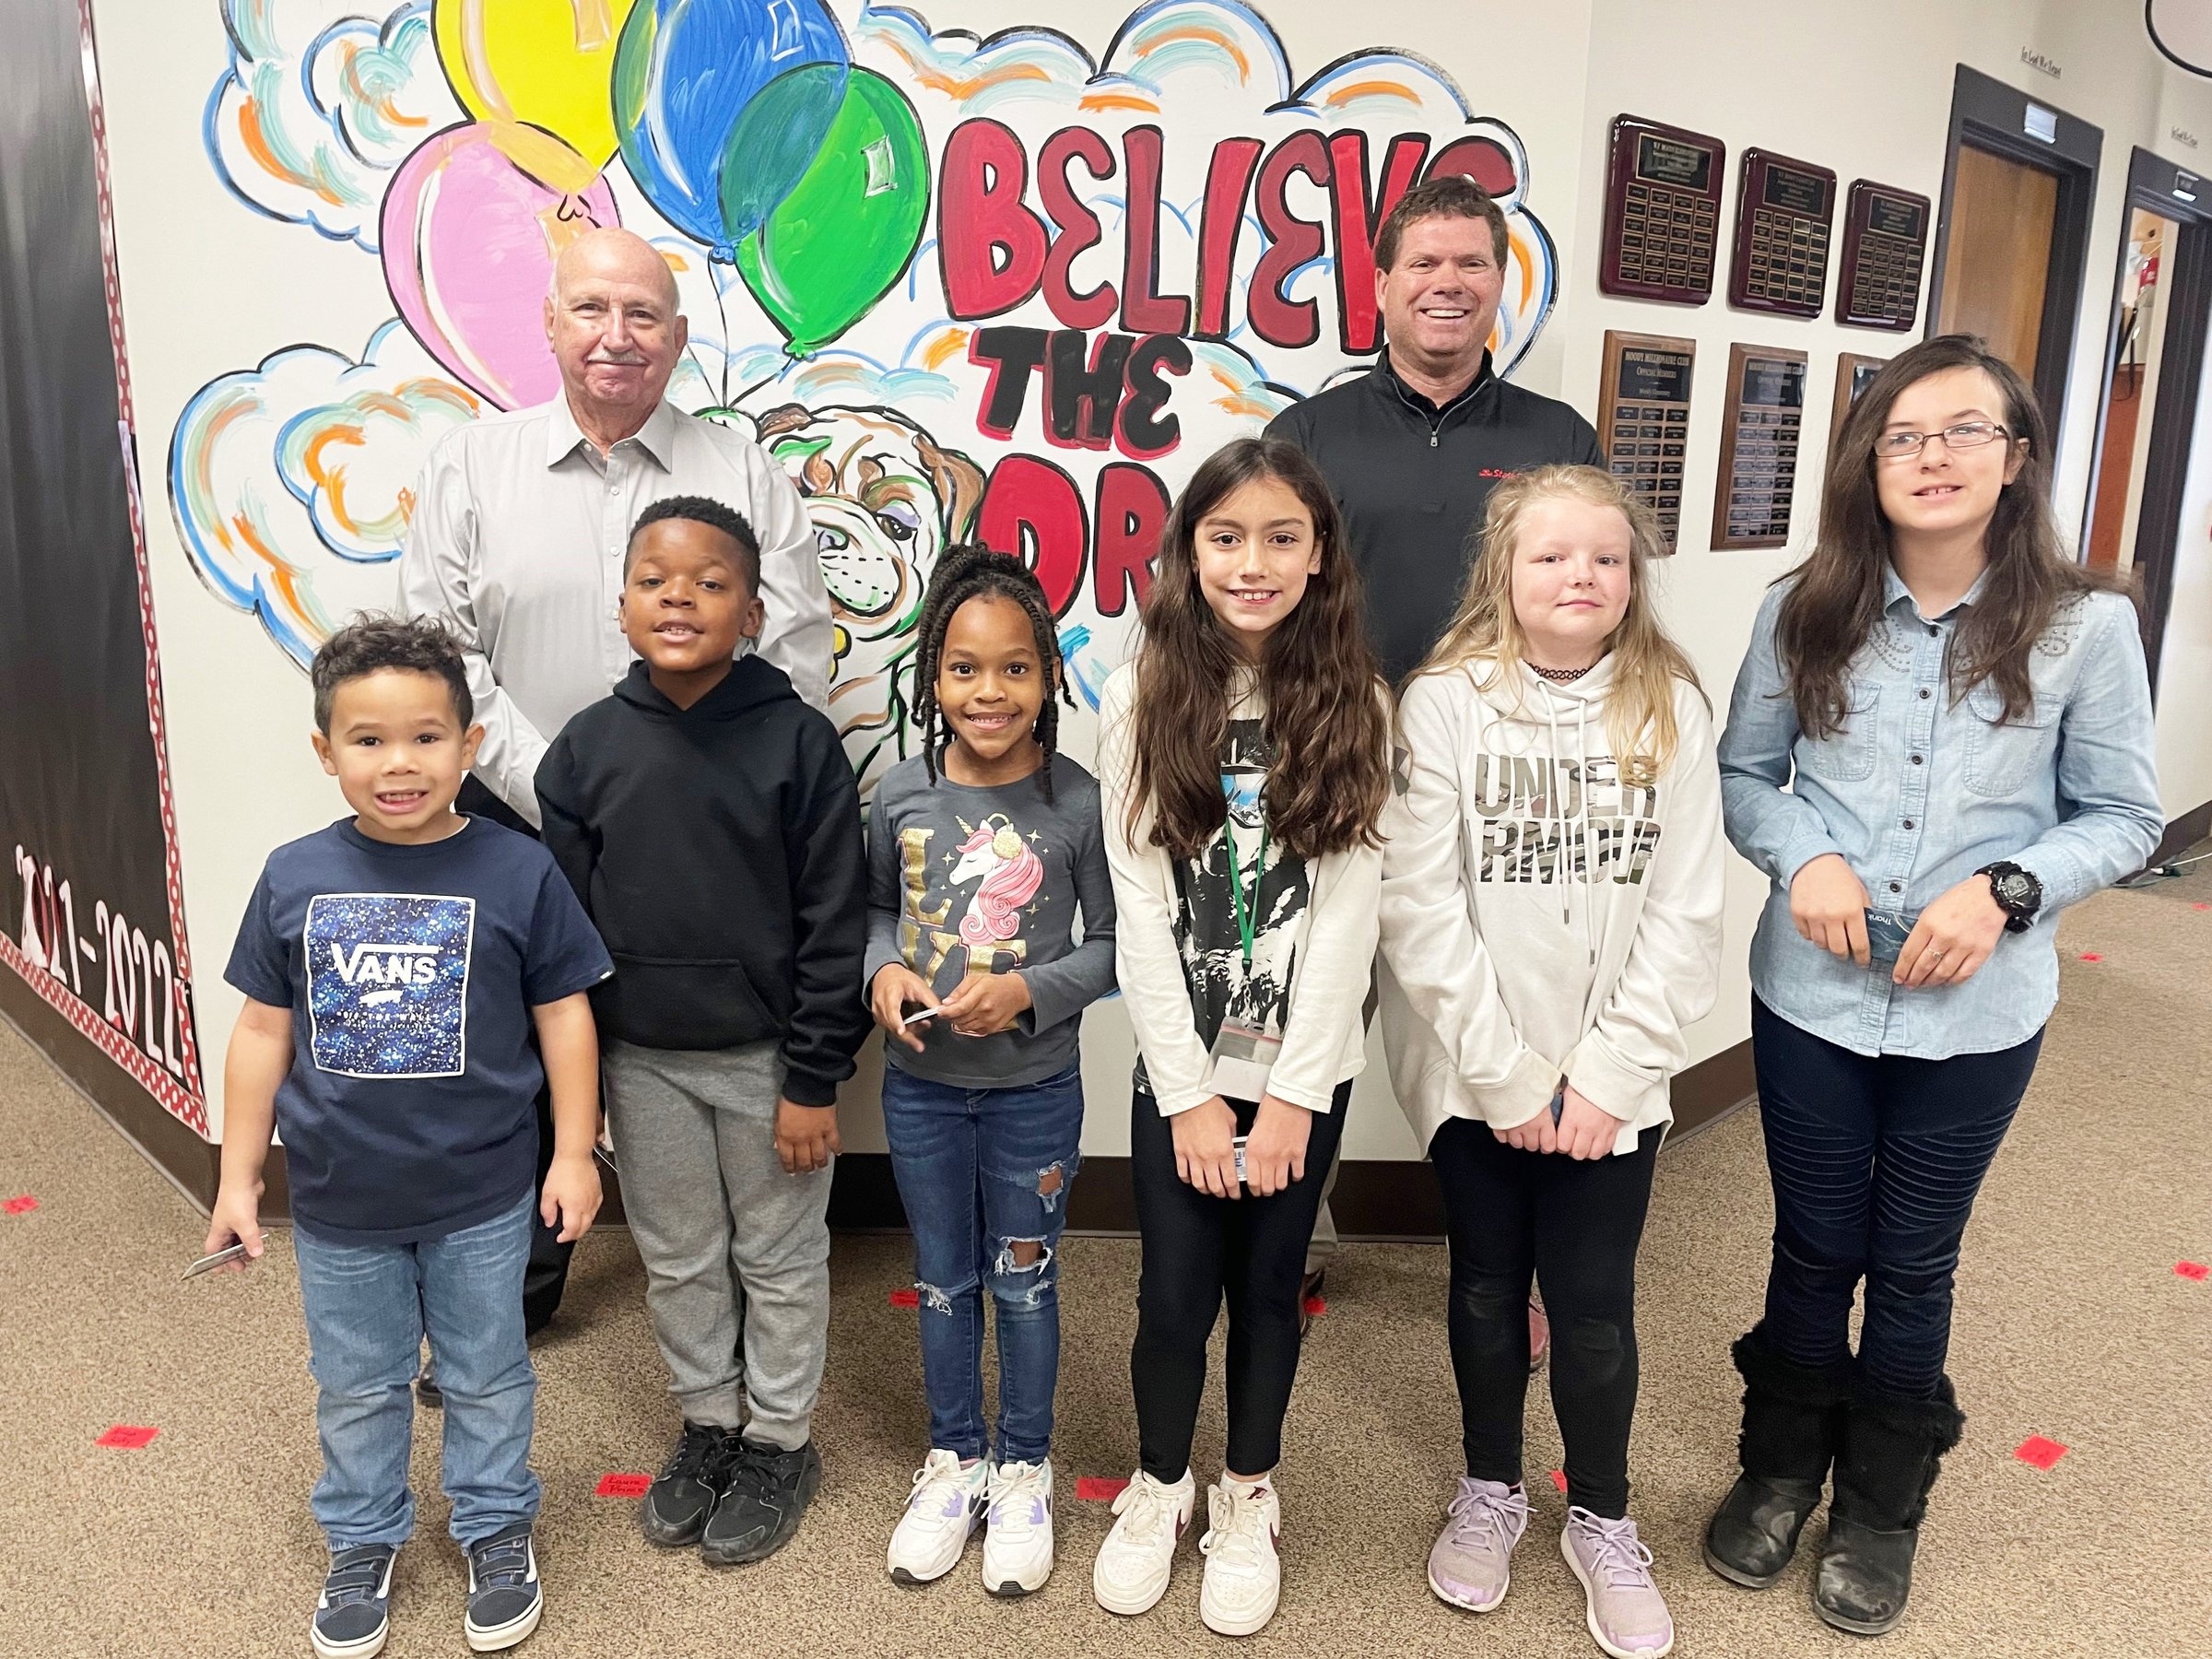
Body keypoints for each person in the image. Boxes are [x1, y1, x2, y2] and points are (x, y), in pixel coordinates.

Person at [1704, 335, 2162, 1637]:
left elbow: (2124, 815)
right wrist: (1810, 860)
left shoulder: (2088, 627)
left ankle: (1881, 1505)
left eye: (1965, 432)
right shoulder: (1804, 606)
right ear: (1867, 462)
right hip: (1816, 995)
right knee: (1812, 1242)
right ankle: (1784, 1465)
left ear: (2015, 460)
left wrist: (2010, 886)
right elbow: (1746, 780)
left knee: (1912, 1259)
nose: (1932, 458)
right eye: (1903, 436)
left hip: (1979, 1012)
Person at [399, 226, 833, 1337]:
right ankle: (511, 1305)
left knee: (669, 1046)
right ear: (549, 323)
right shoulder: (470, 465)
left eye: (643, 316)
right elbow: (435, 649)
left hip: (701, 828)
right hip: (505, 809)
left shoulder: (741, 472)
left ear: (679, 339)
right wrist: (558, 782)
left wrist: (683, 791)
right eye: (591, 310)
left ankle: (736, 1291)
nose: (616, 336)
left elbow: (796, 649)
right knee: (510, 1068)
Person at [205, 616, 612, 1659]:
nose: (399, 763)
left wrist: (573, 1152)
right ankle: (361, 1536)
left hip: (484, 1196)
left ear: (470, 746)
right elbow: (260, 1030)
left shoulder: (518, 874)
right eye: (369, 739)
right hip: (341, 1204)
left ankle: (495, 1525)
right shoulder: (294, 875)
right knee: (358, 1382)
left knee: (487, 1372)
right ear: (325, 750)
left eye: (427, 737)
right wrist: (238, 1181)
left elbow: (566, 1014)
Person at [1378, 466, 1724, 1659]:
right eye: (1552, 557)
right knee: (1484, 1288)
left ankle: (1603, 1517)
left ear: (1632, 580)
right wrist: (1511, 1078)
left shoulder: (1670, 706)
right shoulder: (1443, 704)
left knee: (1592, 1310)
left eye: (1607, 559)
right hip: (1479, 1083)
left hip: (1610, 1098)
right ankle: (1490, 1488)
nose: (1581, 576)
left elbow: (1687, 915)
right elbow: (1419, 913)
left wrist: (1607, 1079)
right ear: (1503, 575)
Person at [1267, 175, 1602, 1337]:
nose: (1448, 284)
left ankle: (1531, 1263)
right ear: (1381, 284)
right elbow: (1267, 605)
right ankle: (1287, 1241)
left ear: (1500, 284)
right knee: (1311, 1012)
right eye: (1425, 264)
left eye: (1472, 264)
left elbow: (1590, 598)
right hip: (1342, 779)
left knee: (1515, 1015)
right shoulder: (1308, 435)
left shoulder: (1557, 441)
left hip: (1509, 787)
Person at [1090, 437, 1392, 1638]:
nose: (1253, 562)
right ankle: (1161, 1487)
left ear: (1320, 555)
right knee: (1171, 1298)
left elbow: (1345, 929)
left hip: (1298, 1081)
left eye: (1281, 537)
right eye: (1226, 537)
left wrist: (1286, 1102)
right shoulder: (1141, 694)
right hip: (1177, 1073)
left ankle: (1246, 1492)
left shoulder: (1358, 701)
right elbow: (1140, 913)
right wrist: (1191, 1098)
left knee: (1268, 1293)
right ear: (1189, 551)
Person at [535, 495, 869, 1569]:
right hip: (642, 1064)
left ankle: (779, 1442)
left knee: (775, 1257)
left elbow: (833, 925)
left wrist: (814, 1076)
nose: (680, 596)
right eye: (654, 580)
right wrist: (580, 1105)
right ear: (623, 607)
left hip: (771, 1063)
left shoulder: (800, 745)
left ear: (755, 611)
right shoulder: (583, 754)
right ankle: (710, 1424)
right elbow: (566, 952)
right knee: (679, 1258)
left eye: (710, 582)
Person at [865, 548, 1118, 1598]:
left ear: (1048, 679)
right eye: (966, 670)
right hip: (921, 1089)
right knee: (941, 1281)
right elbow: (875, 907)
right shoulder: (899, 795)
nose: (990, 693)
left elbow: (1112, 945)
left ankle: (1023, 1467)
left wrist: (1028, 993)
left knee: (1022, 1283)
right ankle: (953, 1460)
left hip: (1034, 1092)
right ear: (934, 680)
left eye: (1014, 669)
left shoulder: (1079, 801)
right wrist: (880, 968)